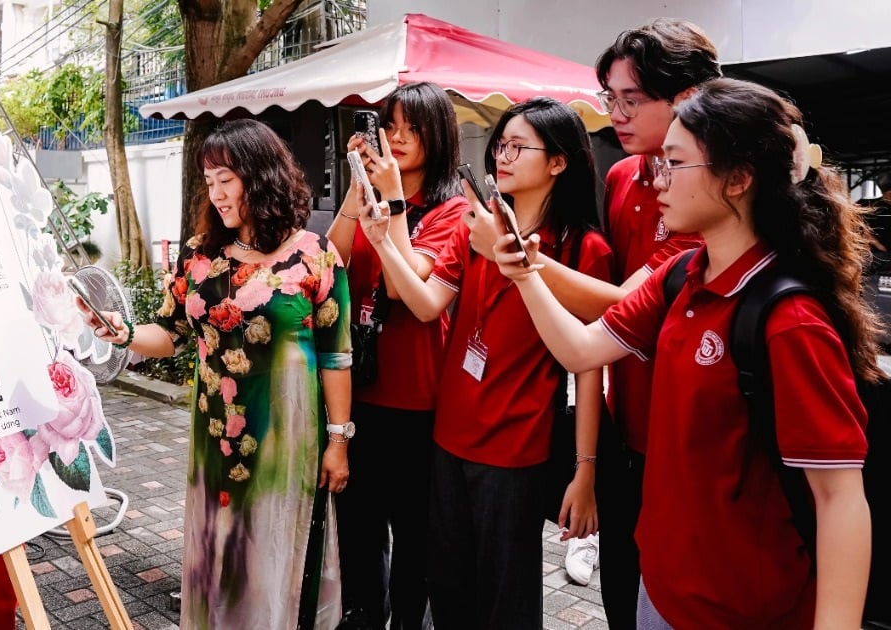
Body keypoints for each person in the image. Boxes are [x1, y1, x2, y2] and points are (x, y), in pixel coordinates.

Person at [492, 78, 875, 629]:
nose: (658, 182)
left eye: (675, 163)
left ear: (739, 179)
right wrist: (525, 273)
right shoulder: (679, 276)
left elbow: (839, 499)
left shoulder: (788, 322)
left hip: (743, 610)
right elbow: (581, 350)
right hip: (663, 589)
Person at [81, 119, 353, 629]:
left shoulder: (314, 255)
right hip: (215, 438)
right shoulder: (199, 254)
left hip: (285, 442)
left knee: (274, 544)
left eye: (226, 178)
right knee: (221, 547)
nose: (217, 193)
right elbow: (169, 333)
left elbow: (337, 356)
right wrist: (120, 333)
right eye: (209, 182)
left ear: (261, 174)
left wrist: (339, 441)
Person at [496, 19, 721, 623]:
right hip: (629, 422)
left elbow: (623, 304)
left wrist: (528, 261)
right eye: (609, 99)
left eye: (631, 100)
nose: (616, 115)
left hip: (693, 435)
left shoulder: (711, 195)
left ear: (688, 100)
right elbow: (611, 321)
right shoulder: (623, 178)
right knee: (623, 592)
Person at [358, 97, 610, 628]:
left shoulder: (581, 247)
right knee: (447, 587)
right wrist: (383, 239)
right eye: (501, 145)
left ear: (559, 162)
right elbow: (425, 303)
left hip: (515, 446)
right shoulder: (477, 229)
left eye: (519, 147)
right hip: (448, 436)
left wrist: (585, 470)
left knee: (505, 598)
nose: (504, 156)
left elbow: (590, 366)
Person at [325, 81, 469, 630]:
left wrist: (394, 207)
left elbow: (412, 287)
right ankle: (365, 616)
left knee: (415, 538)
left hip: (417, 402)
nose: (398, 137)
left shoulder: (451, 211)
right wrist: (354, 193)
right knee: (358, 532)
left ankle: (410, 620)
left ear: (439, 136)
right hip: (357, 395)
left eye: (413, 128)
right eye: (391, 126)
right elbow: (331, 262)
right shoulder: (371, 198)